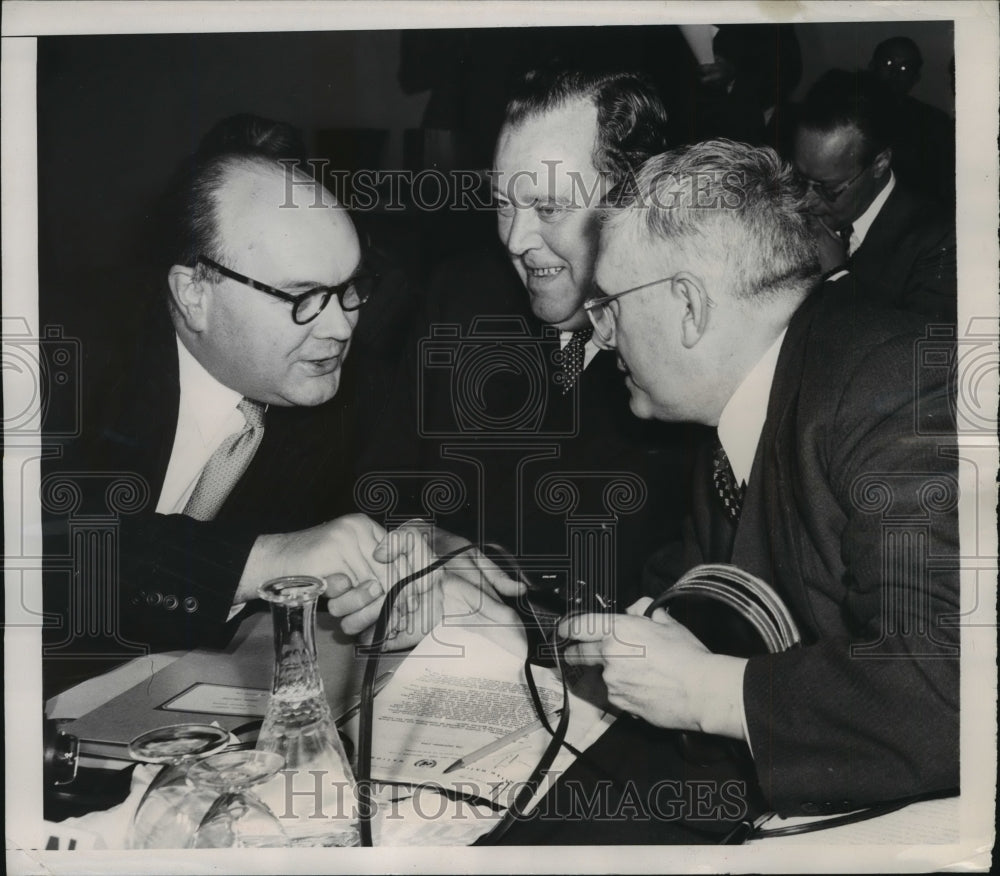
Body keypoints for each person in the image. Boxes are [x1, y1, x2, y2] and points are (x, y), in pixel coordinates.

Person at [542, 140, 958, 840]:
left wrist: (707, 693)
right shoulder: (755, 402)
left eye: (609, 304)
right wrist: (527, 622)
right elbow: (693, 602)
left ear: (688, 306)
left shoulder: (895, 384)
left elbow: (957, 681)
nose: (602, 337)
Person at [41, 116, 515, 682]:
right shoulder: (60, 352)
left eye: (348, 290)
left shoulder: (353, 389)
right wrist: (263, 560)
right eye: (303, 297)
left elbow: (386, 508)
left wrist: (417, 547)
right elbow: (38, 540)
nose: (341, 327)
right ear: (194, 294)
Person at [357, 69, 695, 616]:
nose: (516, 240)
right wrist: (427, 539)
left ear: (632, 199)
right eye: (503, 203)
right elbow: (383, 486)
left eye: (549, 208)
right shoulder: (460, 295)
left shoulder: (687, 345)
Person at [791, 69, 956, 324]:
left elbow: (911, 355)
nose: (805, 200)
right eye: (801, 179)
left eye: (827, 188)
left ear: (879, 163)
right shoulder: (792, 212)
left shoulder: (940, 241)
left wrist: (837, 277)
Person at [867, 37, 955, 206]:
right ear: (872, 66)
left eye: (905, 67)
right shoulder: (847, 113)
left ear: (916, 78)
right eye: (888, 63)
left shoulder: (934, 122)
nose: (895, 72)